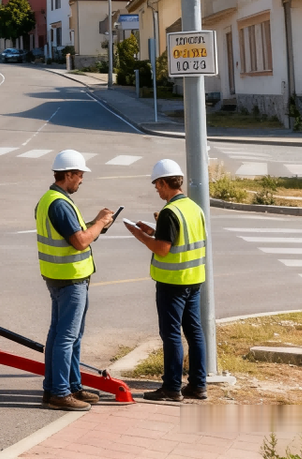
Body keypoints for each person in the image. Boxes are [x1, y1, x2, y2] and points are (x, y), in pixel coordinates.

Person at [35, 149, 114, 411]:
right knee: (67, 337)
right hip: (70, 278)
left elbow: (72, 233)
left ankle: (66, 387)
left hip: (58, 276)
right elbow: (79, 241)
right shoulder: (59, 203)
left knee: (62, 334)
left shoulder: (49, 200)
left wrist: (96, 224)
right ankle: (60, 392)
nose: (82, 179)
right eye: (79, 174)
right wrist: (100, 223)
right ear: (68, 175)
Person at [126, 159, 208, 402]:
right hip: (194, 280)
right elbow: (181, 238)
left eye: (157, 185)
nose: (157, 190)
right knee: (194, 332)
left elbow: (162, 249)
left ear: (164, 182)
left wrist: (140, 235)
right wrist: (154, 230)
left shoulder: (170, 212)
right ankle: (198, 385)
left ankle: (172, 387)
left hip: (172, 282)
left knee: (171, 334)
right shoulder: (194, 208)